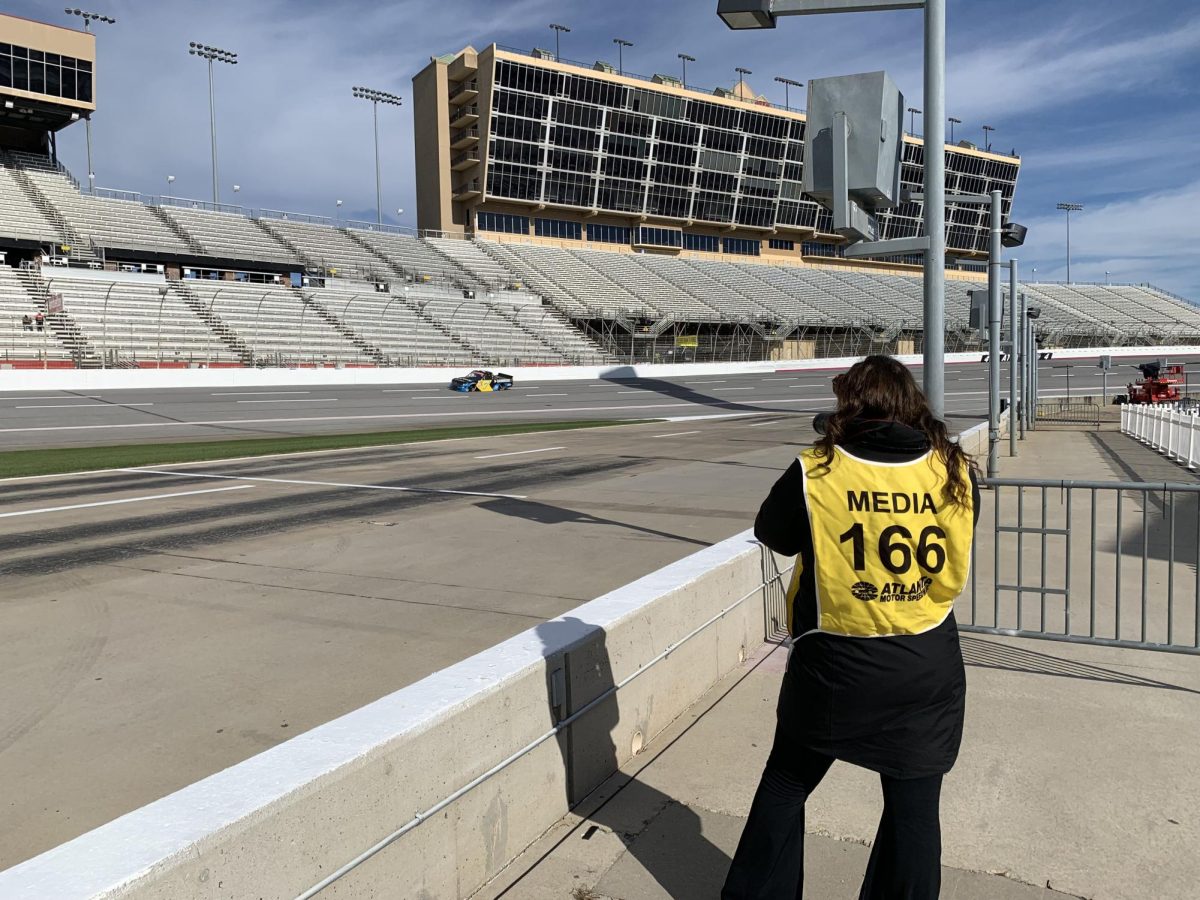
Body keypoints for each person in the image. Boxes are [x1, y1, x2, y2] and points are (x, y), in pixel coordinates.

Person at [723, 354, 980, 900]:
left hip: (836, 665)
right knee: (914, 811)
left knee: (787, 784)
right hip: (925, 661)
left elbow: (773, 532)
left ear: (850, 404)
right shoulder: (953, 467)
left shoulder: (818, 468)